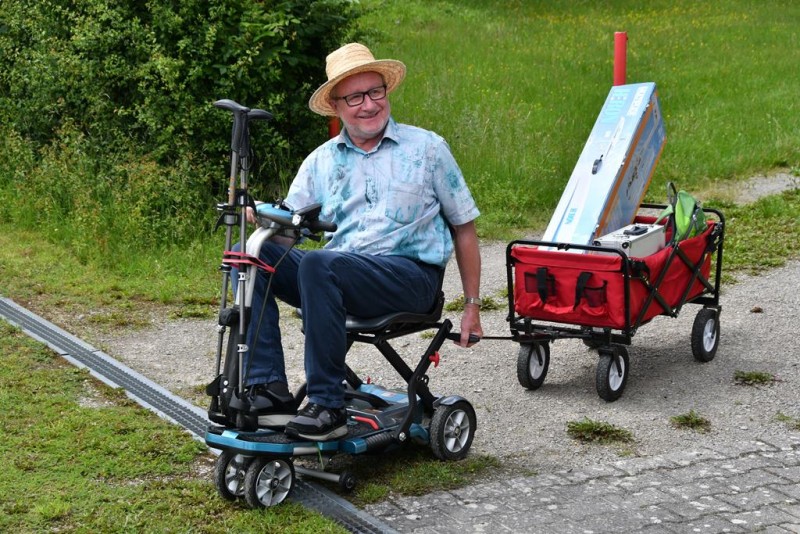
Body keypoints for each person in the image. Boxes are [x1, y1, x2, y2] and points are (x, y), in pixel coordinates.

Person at [242, 42, 483, 441]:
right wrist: (263, 219)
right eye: (355, 97)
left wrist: (472, 306)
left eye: (375, 92)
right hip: (337, 277)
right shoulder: (321, 161)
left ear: (386, 92)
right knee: (254, 253)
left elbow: (464, 228)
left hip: (408, 278)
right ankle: (267, 389)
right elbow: (288, 229)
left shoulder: (427, 149)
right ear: (336, 106)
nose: (369, 105)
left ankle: (328, 406)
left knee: (321, 263)